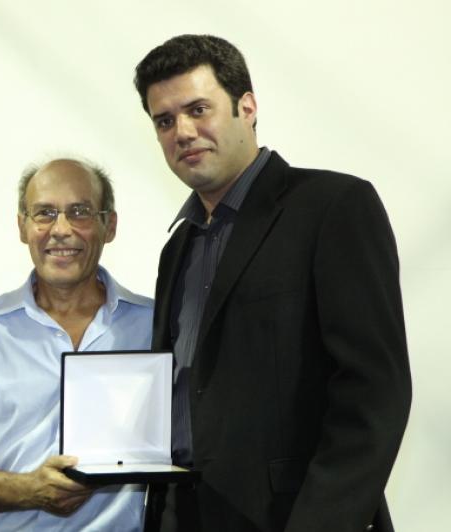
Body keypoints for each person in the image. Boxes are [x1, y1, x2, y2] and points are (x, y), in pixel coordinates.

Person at [134, 35, 411, 532]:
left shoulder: (333, 207)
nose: (183, 132)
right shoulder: (177, 249)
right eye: (165, 121)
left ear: (247, 107)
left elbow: (374, 394)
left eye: (198, 109)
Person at [0, 158, 152, 531]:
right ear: (23, 226)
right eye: (44, 213)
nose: (61, 230)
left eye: (80, 212)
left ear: (109, 226)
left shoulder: (155, 326)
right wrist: (29, 490)